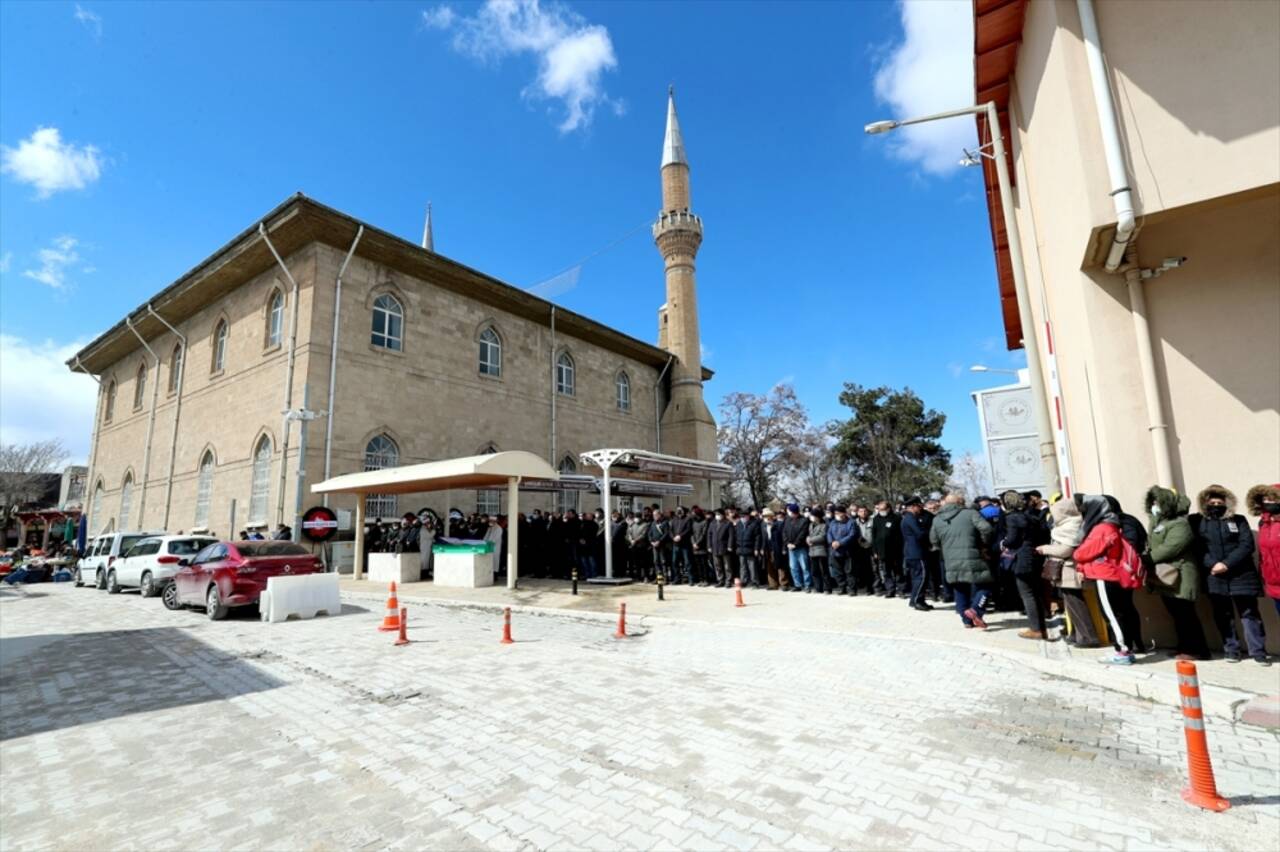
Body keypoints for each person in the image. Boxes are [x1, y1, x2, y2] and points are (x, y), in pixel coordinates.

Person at [1191, 485, 1266, 665]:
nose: (1216, 505)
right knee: (1223, 614)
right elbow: (1197, 547)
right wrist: (1213, 564)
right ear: (1205, 503)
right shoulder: (1198, 521)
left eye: (1219, 502)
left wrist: (1226, 564)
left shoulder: (1238, 520)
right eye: (1212, 502)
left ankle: (1258, 652)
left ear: (1227, 503)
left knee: (1249, 614)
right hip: (1214, 576)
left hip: (1242, 574)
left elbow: (1247, 544)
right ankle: (1231, 650)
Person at [1073, 493, 1143, 665]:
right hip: (1109, 574)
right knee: (1119, 612)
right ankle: (1126, 648)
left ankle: (1122, 651)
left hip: (1104, 575)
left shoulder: (1102, 529)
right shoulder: (1109, 525)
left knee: (1112, 614)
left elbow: (1081, 552)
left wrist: (1079, 554)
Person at [1143, 485, 1209, 660]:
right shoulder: (1159, 523)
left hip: (1181, 575)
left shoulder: (1180, 524)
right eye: (1153, 502)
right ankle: (1184, 646)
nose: (1154, 506)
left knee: (1186, 615)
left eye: (1157, 502)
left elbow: (1171, 547)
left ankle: (1198, 650)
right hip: (1167, 576)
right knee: (1177, 615)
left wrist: (1147, 559)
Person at [1036, 496, 1100, 648]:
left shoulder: (1071, 525)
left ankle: (1088, 637)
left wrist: (1045, 549)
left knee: (1076, 604)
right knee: (1070, 604)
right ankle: (1077, 634)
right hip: (1065, 569)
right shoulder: (1067, 525)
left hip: (1070, 569)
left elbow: (1066, 549)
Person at [930, 493, 995, 628]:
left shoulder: (937, 519)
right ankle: (975, 610)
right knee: (986, 585)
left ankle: (966, 621)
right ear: (960, 502)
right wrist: (983, 543)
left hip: (950, 559)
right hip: (972, 555)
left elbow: (933, 540)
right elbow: (987, 528)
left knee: (960, 589)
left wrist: (944, 548)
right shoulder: (970, 513)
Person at [1000, 491, 1046, 639]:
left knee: (1027, 594)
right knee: (1035, 593)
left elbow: (1012, 540)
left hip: (1021, 558)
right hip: (1034, 556)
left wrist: (1003, 543)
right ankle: (1041, 627)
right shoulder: (1031, 516)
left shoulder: (1012, 518)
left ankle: (1036, 629)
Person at [1247, 483, 1280, 618]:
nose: (1268, 502)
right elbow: (1263, 553)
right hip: (1274, 583)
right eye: (1265, 499)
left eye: (1272, 498)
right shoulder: (1263, 523)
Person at [901, 497, 933, 612]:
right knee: (922, 577)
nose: (921, 509)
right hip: (917, 552)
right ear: (914, 506)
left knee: (917, 578)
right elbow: (919, 534)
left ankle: (918, 599)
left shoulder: (908, 518)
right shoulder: (910, 518)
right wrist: (930, 533)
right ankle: (917, 600)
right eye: (919, 506)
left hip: (913, 552)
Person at [871, 500, 904, 597]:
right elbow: (874, 536)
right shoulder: (876, 519)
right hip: (882, 551)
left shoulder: (896, 518)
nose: (881, 511)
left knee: (898, 571)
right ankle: (890, 590)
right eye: (880, 509)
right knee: (886, 572)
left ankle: (901, 589)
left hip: (895, 550)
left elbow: (901, 535)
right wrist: (875, 551)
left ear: (889, 509)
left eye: (883, 509)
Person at [826, 505, 857, 596]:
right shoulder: (833, 523)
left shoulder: (851, 522)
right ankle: (842, 587)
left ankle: (851, 589)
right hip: (835, 551)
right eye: (835, 513)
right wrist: (831, 542)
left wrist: (840, 542)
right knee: (838, 571)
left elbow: (852, 535)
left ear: (844, 513)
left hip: (847, 550)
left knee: (849, 571)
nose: (837, 515)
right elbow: (829, 533)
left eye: (839, 513)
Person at [783, 503, 811, 592]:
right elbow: (784, 533)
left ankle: (807, 585)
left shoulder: (804, 520)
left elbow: (802, 534)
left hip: (800, 547)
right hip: (790, 547)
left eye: (790, 511)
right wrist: (787, 543)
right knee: (793, 567)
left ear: (794, 512)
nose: (789, 513)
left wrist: (795, 544)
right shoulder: (787, 520)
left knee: (805, 567)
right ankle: (797, 584)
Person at [736, 509, 763, 588]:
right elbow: (736, 536)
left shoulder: (754, 524)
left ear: (748, 516)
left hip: (750, 548)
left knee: (752, 566)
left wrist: (756, 549)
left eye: (744, 516)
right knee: (742, 566)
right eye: (741, 516)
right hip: (741, 548)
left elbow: (757, 538)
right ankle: (744, 581)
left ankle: (755, 582)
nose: (742, 518)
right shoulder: (739, 524)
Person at [806, 507, 829, 594]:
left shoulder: (824, 525)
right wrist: (807, 538)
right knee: (815, 570)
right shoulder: (811, 525)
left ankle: (827, 588)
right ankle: (817, 587)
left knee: (824, 570)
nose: (811, 517)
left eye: (812, 515)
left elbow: (822, 537)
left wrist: (811, 540)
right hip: (812, 550)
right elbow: (808, 535)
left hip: (821, 550)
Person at [852, 506, 875, 595]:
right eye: (861, 511)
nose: (863, 513)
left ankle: (874, 587)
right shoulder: (854, 522)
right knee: (862, 569)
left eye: (865, 511)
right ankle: (864, 588)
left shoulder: (872, 521)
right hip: (859, 549)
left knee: (873, 569)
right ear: (858, 513)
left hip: (871, 548)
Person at [670, 507, 694, 585]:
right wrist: (673, 537)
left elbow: (688, 530)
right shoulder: (674, 520)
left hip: (685, 544)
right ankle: (677, 579)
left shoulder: (688, 519)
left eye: (680, 510)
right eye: (677, 510)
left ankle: (691, 579)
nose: (679, 512)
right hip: (675, 544)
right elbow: (670, 530)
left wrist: (680, 536)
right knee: (674, 562)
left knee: (687, 562)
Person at [647, 508, 671, 583]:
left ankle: (665, 578)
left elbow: (666, 533)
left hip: (662, 545)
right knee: (656, 561)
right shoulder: (653, 523)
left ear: (660, 515)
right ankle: (659, 578)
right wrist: (651, 541)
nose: (654, 516)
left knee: (663, 562)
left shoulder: (665, 523)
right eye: (653, 515)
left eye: (656, 515)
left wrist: (659, 541)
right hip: (654, 545)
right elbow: (649, 533)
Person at [690, 507, 710, 586]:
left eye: (694, 513)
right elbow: (691, 534)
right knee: (698, 565)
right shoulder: (694, 522)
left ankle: (706, 580)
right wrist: (693, 543)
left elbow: (704, 534)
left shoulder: (705, 522)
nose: (692, 515)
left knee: (704, 564)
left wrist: (697, 543)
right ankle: (701, 579)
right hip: (695, 547)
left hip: (702, 546)